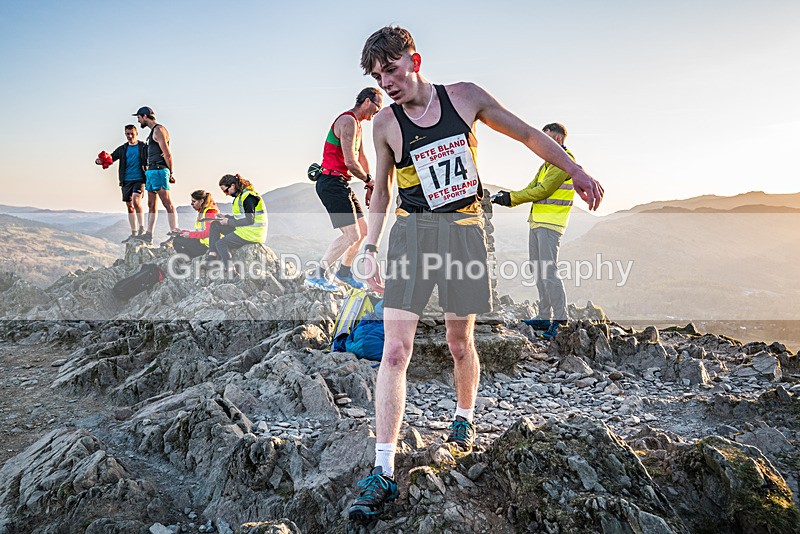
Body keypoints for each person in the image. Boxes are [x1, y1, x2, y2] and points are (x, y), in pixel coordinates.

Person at [347, 26, 604, 522]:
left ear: (414, 60)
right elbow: (380, 191)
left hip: (464, 235)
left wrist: (574, 170)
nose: (388, 83)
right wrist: (372, 246)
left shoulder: (465, 99)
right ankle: (383, 468)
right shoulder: (384, 125)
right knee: (395, 349)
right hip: (412, 237)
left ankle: (463, 420)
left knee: (459, 343)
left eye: (393, 70)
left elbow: (528, 134)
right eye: (379, 78)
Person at [492, 123, 575, 340]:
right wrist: (508, 197)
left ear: (556, 139)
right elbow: (531, 187)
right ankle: (544, 316)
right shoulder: (547, 164)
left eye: (545, 139)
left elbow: (543, 191)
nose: (540, 144)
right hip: (537, 223)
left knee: (548, 271)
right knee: (538, 270)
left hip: (550, 225)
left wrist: (510, 198)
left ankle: (560, 320)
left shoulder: (562, 163)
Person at [305, 88, 383, 292]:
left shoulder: (357, 126)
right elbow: (350, 162)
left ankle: (344, 273)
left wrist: (369, 183)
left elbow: (362, 158)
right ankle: (316, 275)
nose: (378, 111)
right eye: (377, 106)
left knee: (363, 231)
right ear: (367, 101)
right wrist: (368, 180)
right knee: (352, 235)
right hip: (331, 183)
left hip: (341, 183)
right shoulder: (347, 122)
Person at [205, 174, 267, 277]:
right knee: (215, 225)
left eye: (226, 190)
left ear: (233, 185)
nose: (226, 194)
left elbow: (249, 220)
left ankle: (231, 271)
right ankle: (212, 256)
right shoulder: (240, 196)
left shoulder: (248, 197)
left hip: (252, 233)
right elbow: (240, 218)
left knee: (221, 243)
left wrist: (228, 222)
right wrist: (225, 217)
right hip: (244, 229)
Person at [133, 106, 178, 244]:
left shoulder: (159, 130)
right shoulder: (152, 132)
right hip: (151, 171)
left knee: (167, 203)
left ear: (145, 116)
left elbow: (167, 153)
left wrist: (170, 172)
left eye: (139, 117)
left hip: (159, 170)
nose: (139, 120)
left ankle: (175, 235)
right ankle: (149, 234)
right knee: (151, 204)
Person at [95, 125, 147, 241]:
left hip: (139, 179)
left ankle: (142, 228)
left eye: (131, 133)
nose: (129, 136)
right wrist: (99, 161)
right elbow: (111, 158)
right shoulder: (122, 149)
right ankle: (134, 232)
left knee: (136, 201)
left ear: (136, 133)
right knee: (130, 207)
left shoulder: (143, 147)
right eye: (127, 134)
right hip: (125, 180)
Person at [172, 190, 219, 258]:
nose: (191, 204)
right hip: (204, 243)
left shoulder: (210, 212)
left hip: (208, 247)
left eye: (194, 201)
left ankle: (189, 261)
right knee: (179, 237)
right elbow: (200, 231)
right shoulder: (203, 212)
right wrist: (182, 232)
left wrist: (190, 235)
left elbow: (209, 232)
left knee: (178, 241)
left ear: (201, 201)